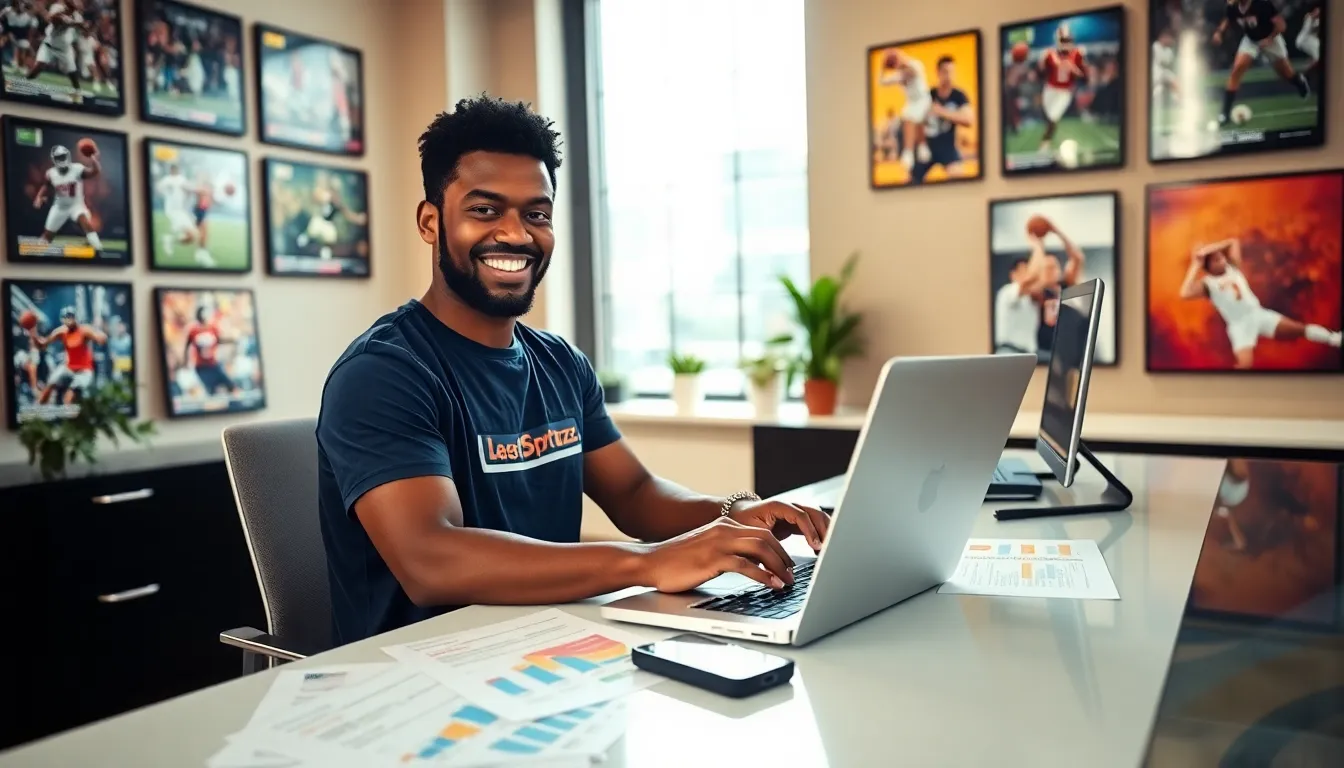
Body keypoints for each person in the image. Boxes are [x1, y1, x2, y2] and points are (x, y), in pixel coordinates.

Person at [317, 96, 831, 644]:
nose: (516, 234)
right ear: (430, 222)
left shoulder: (560, 364)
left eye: (536, 214)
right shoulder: (384, 373)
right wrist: (646, 563)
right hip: (419, 676)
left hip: (547, 646)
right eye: (485, 210)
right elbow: (431, 560)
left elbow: (635, 494)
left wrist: (737, 516)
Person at [1179, 238, 1341, 369]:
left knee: (1298, 329)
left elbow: (1233, 242)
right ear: (1208, 267)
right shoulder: (1207, 284)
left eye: (1221, 257)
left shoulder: (1233, 267)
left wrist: (1208, 250)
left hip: (1258, 314)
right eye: (1216, 260)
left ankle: (1335, 338)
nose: (1222, 260)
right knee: (1245, 365)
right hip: (1239, 325)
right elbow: (1184, 293)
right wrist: (1196, 264)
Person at [1212, 0, 1310, 128]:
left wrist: (1269, 39)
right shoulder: (1233, 7)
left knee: (1286, 74)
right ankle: (1224, 114)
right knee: (1236, 71)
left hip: (1271, 39)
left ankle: (1299, 81)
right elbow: (1228, 19)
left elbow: (1281, 25)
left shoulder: (1262, 4)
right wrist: (1219, 32)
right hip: (1251, 40)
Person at [33, 142, 104, 258]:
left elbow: (94, 172)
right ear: (54, 159)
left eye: (62, 157)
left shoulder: (76, 168)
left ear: (68, 156)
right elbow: (46, 185)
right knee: (47, 235)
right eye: (59, 157)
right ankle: (35, 256)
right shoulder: (51, 173)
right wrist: (39, 197)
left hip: (76, 206)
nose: (61, 159)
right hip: (59, 207)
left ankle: (99, 249)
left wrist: (93, 160)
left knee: (86, 223)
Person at [910, 54, 973, 184]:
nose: (948, 76)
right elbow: (914, 121)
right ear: (938, 73)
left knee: (960, 178)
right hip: (928, 146)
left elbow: (968, 120)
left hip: (947, 147)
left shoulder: (958, 96)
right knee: (908, 181)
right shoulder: (928, 95)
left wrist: (942, 112)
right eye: (945, 72)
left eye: (951, 72)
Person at [29, 305, 105, 406]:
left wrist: (100, 336)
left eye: (70, 317)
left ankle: (70, 413)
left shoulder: (84, 330)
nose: (68, 320)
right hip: (68, 368)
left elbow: (101, 339)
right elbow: (42, 345)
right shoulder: (61, 331)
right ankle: (38, 412)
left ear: (75, 317)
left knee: (68, 399)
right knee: (50, 385)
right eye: (65, 317)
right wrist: (32, 330)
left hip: (84, 371)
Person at [1038, 23, 1087, 155]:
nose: (1066, 43)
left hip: (1065, 92)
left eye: (1068, 40)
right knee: (1048, 117)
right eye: (1064, 40)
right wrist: (1041, 65)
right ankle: (1046, 141)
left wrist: (1075, 70)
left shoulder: (1077, 54)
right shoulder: (1049, 54)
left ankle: (1044, 145)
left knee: (1053, 118)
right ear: (1058, 40)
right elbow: (1040, 75)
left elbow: (1085, 77)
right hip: (1050, 89)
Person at [878, 48, 931, 170]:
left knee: (912, 117)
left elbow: (912, 73)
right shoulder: (898, 75)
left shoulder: (915, 65)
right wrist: (883, 67)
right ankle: (913, 151)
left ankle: (914, 151)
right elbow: (882, 82)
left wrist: (900, 58)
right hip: (912, 103)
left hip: (923, 99)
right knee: (909, 116)